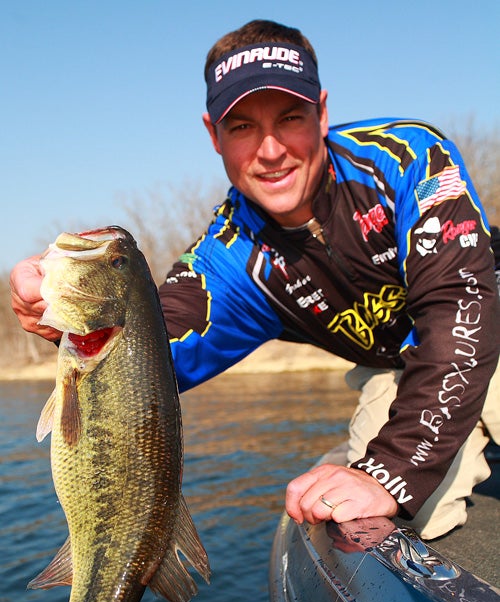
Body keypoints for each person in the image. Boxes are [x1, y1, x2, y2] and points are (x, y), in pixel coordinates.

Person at [10, 19, 500, 540]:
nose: (270, 151)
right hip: (398, 373)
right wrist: (72, 318)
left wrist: (393, 471)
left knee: (393, 478)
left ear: (323, 112)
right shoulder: (229, 258)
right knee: (379, 515)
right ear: (213, 135)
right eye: (242, 126)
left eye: (290, 117)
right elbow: (147, 354)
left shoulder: (406, 157)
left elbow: (459, 305)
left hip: (483, 331)